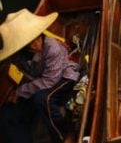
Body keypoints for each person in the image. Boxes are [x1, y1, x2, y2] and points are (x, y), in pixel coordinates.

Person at [0, 9, 80, 143]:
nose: (36, 43)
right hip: (40, 82)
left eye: (37, 37)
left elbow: (50, 81)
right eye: (30, 42)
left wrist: (20, 92)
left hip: (64, 76)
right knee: (6, 115)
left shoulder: (52, 48)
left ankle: (63, 135)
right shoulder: (18, 56)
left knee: (43, 100)